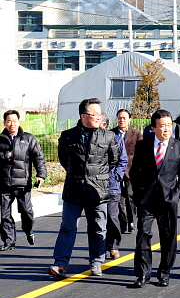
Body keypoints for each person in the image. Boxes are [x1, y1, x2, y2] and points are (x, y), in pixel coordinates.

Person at [48, 98, 119, 277]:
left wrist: (96, 175)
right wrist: (79, 173)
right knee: (67, 226)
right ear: (83, 116)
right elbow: (65, 160)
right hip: (74, 189)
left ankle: (96, 262)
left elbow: (113, 161)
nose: (98, 117)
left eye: (100, 114)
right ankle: (60, 263)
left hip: (98, 190)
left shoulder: (109, 136)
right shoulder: (67, 136)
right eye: (94, 114)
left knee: (98, 227)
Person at [130, 109, 180, 288]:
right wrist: (139, 194)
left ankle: (164, 272)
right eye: (162, 126)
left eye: (169, 126)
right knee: (143, 237)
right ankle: (143, 274)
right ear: (153, 127)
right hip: (146, 200)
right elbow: (134, 173)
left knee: (168, 237)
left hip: (168, 200)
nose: (166, 129)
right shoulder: (143, 146)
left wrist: (175, 196)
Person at [0, 110, 47, 251]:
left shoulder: (28, 139)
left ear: (19, 122)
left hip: (22, 183)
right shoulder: (0, 139)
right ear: (4, 123)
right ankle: (9, 241)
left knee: (26, 212)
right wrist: (5, 155)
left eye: (14, 120)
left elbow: (39, 158)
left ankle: (28, 230)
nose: (12, 123)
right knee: (4, 214)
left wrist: (41, 175)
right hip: (3, 184)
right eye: (9, 121)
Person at [100, 113, 128, 260]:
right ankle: (99, 249)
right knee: (98, 219)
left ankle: (114, 245)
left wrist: (115, 176)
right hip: (96, 186)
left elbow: (123, 161)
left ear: (104, 125)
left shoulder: (116, 140)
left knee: (112, 217)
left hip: (112, 186)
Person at [111, 109, 142, 235]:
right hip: (115, 170)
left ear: (129, 119)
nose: (122, 120)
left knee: (130, 196)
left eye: (124, 118)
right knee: (117, 198)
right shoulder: (111, 133)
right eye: (119, 117)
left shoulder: (136, 134)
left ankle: (131, 221)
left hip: (131, 169)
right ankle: (122, 222)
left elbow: (140, 152)